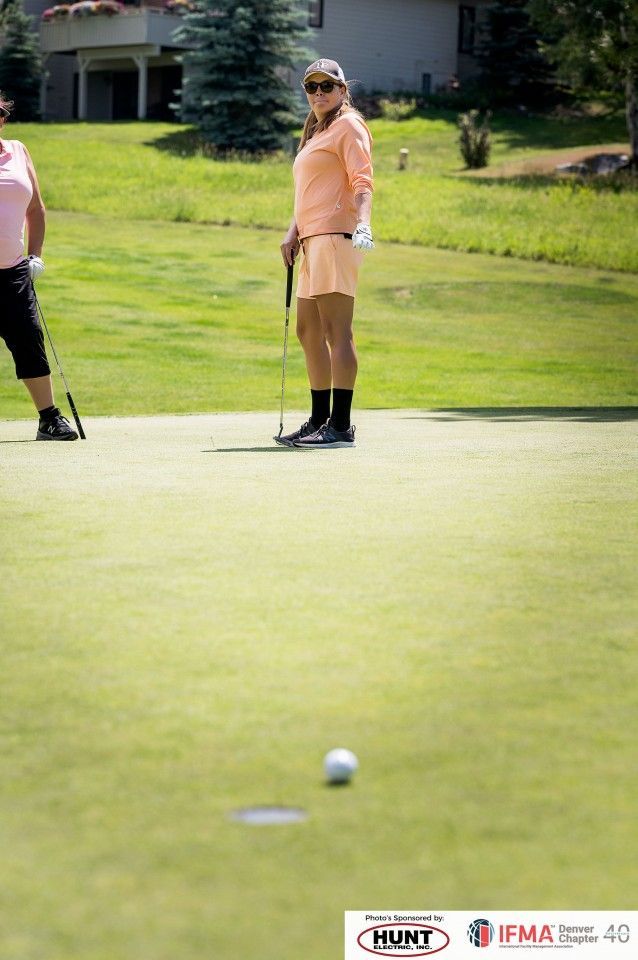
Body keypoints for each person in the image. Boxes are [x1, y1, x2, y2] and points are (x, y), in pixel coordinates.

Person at [278, 58, 374, 449]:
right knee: (308, 332)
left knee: (337, 332)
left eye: (326, 87)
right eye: (311, 87)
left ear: (342, 90)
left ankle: (341, 426)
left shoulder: (349, 125)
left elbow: (362, 180)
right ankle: (320, 419)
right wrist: (292, 232)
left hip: (336, 237)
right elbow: (310, 193)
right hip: (312, 240)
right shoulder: (318, 131)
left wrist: (364, 222)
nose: (318, 93)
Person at [0, 94, 78, 440]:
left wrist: (35, 255)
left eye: (1, 113)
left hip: (14, 270)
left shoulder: (18, 150)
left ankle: (48, 418)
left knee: (29, 339)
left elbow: (36, 209)